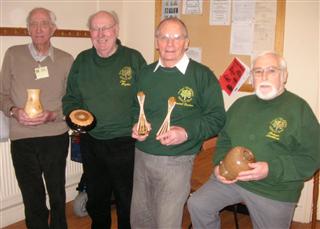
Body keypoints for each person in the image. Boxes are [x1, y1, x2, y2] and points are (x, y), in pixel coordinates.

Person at [187, 51, 320, 229]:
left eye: (271, 70)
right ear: (252, 77)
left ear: (284, 76)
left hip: (275, 189)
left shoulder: (299, 109)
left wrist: (270, 169)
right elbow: (224, 139)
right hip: (233, 180)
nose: (263, 76)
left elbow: (313, 157)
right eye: (258, 71)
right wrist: (220, 165)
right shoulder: (240, 105)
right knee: (197, 204)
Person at [130, 17, 226, 228]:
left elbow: (217, 118)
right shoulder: (145, 73)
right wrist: (136, 125)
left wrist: (186, 132)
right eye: (164, 37)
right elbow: (135, 108)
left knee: (166, 223)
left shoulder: (202, 76)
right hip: (142, 157)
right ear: (156, 42)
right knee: (139, 221)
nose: (170, 44)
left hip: (177, 161)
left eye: (177, 37)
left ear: (186, 42)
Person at [62, 10, 146, 229]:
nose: (100, 34)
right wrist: (73, 115)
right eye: (95, 29)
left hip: (126, 143)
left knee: (126, 200)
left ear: (116, 29)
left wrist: (140, 122)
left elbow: (146, 97)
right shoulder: (82, 60)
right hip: (92, 142)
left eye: (105, 27)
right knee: (97, 199)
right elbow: (71, 97)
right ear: (90, 33)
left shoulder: (133, 58)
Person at [0, 7, 74, 229]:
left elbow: (72, 102)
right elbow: (2, 94)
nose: (38, 28)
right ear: (27, 29)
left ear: (53, 29)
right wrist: (14, 110)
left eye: (44, 23)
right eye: (33, 23)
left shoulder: (66, 59)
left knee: (57, 193)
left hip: (54, 136)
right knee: (32, 195)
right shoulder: (13, 54)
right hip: (22, 138)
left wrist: (53, 115)